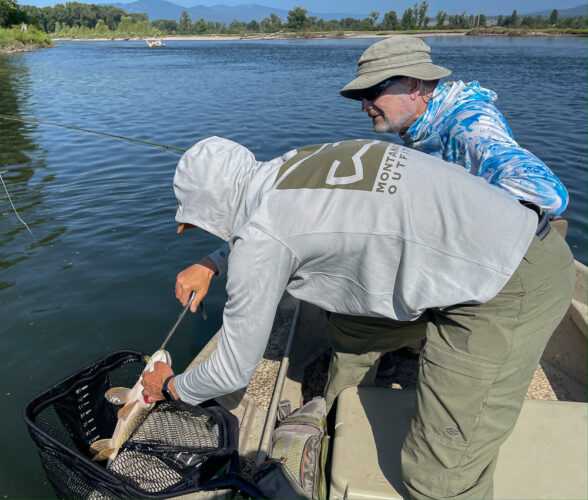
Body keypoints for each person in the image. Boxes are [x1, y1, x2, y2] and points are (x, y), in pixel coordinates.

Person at [143, 136, 574, 499]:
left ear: (208, 210)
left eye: (200, 224)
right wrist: (216, 261)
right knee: (353, 327)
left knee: (439, 473)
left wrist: (171, 386)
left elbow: (234, 370)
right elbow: (280, 223)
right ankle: (333, 414)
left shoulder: (260, 241)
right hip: (483, 245)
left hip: (510, 283)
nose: (207, 231)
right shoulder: (291, 163)